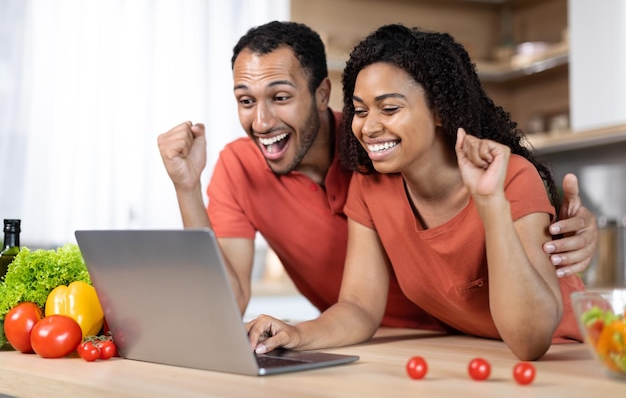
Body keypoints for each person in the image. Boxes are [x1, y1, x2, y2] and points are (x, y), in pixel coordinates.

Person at [158, 21, 597, 332]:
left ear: (322, 94)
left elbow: (496, 187)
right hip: (399, 343)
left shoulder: (386, 161)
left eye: (281, 97)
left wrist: (546, 215)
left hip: (502, 338)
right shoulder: (365, 177)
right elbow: (350, 305)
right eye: (245, 101)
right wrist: (187, 189)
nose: (262, 120)